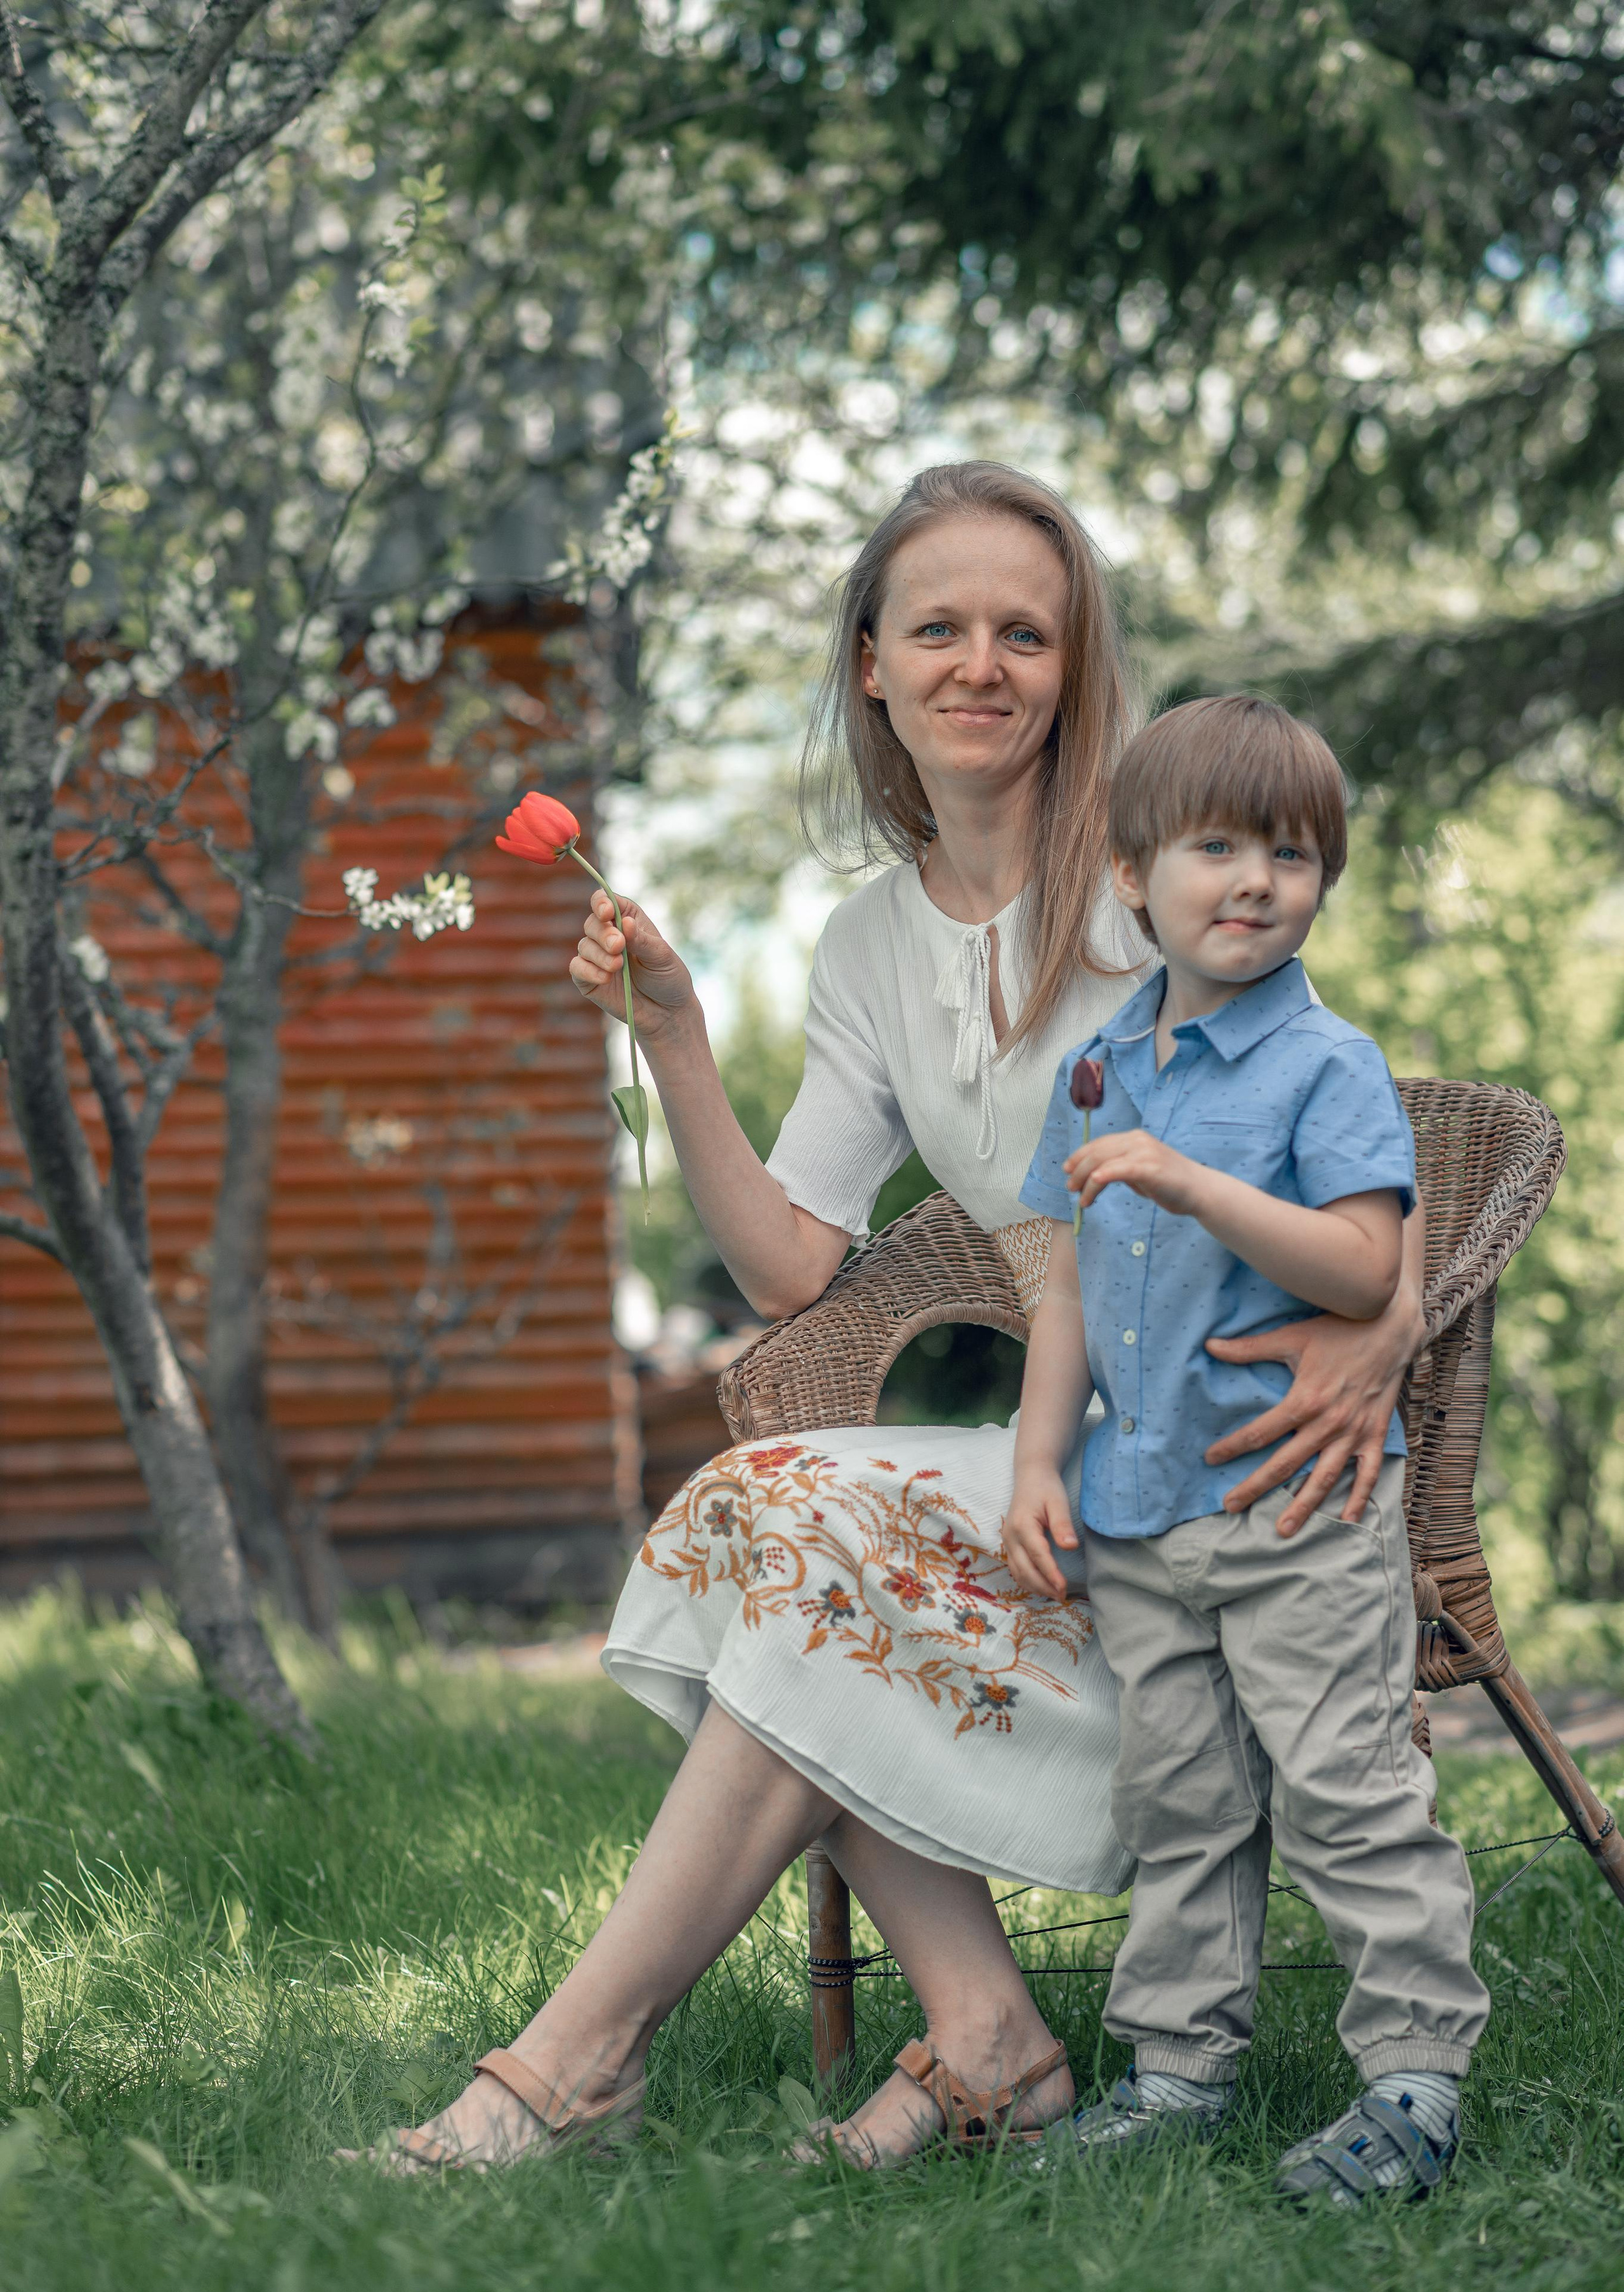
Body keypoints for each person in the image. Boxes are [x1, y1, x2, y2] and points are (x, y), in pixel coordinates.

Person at [367, 466, 1427, 2175]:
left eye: (1025, 632)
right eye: (938, 628)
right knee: (757, 1520)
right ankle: (971, 2037)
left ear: (1073, 669)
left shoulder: (1144, 880)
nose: (980, 664)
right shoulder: (869, 943)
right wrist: (674, 1034)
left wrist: (1393, 1312)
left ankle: (573, 2071)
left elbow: (1323, 1088)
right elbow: (791, 1267)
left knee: (796, 1538)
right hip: (1054, 1449)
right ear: (871, 661)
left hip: (1202, 1461)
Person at [1007, 694, 1487, 2203]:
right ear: (1131, 873)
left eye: (1290, 854)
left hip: (1295, 1510)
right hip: (1143, 1508)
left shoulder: (1324, 1064)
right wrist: (1037, 1462)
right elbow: (1067, 1277)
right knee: (1181, 1802)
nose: (1255, 881)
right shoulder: (1100, 1065)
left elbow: (1363, 1268)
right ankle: (1177, 2069)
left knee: (1344, 1785)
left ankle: (1412, 2076)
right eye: (1215, 846)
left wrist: (1194, 1182)